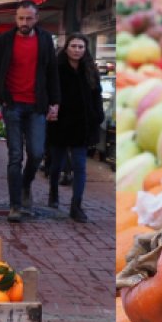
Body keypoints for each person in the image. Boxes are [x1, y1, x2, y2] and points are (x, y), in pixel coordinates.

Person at [0, 0, 60, 222]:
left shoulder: (46, 40)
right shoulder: (4, 41)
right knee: (15, 156)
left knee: (37, 153)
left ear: (36, 19)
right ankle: (15, 205)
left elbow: (51, 73)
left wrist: (55, 102)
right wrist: (2, 97)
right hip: (13, 106)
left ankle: (26, 183)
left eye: (29, 18)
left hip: (37, 105)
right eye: (21, 18)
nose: (24, 22)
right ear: (15, 19)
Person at [46, 33, 102, 223]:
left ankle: (76, 205)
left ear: (85, 50)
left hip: (82, 125)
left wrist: (97, 115)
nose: (77, 50)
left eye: (81, 47)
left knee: (80, 166)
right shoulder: (56, 68)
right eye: (74, 46)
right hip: (60, 124)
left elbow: (97, 95)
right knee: (56, 164)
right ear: (66, 48)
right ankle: (53, 191)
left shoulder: (90, 70)